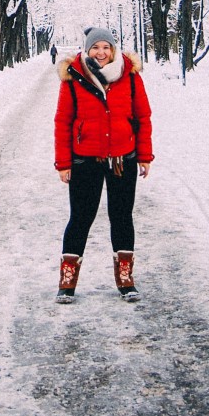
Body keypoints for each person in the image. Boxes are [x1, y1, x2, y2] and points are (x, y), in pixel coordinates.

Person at [53, 25, 153, 304]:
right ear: (87, 50)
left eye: (106, 47)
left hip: (124, 159)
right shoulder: (73, 78)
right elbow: (62, 122)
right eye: (95, 47)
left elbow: (143, 118)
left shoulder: (130, 78)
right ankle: (67, 280)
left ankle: (125, 278)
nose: (101, 52)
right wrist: (63, 162)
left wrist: (144, 156)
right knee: (81, 218)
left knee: (122, 217)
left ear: (113, 50)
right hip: (85, 160)